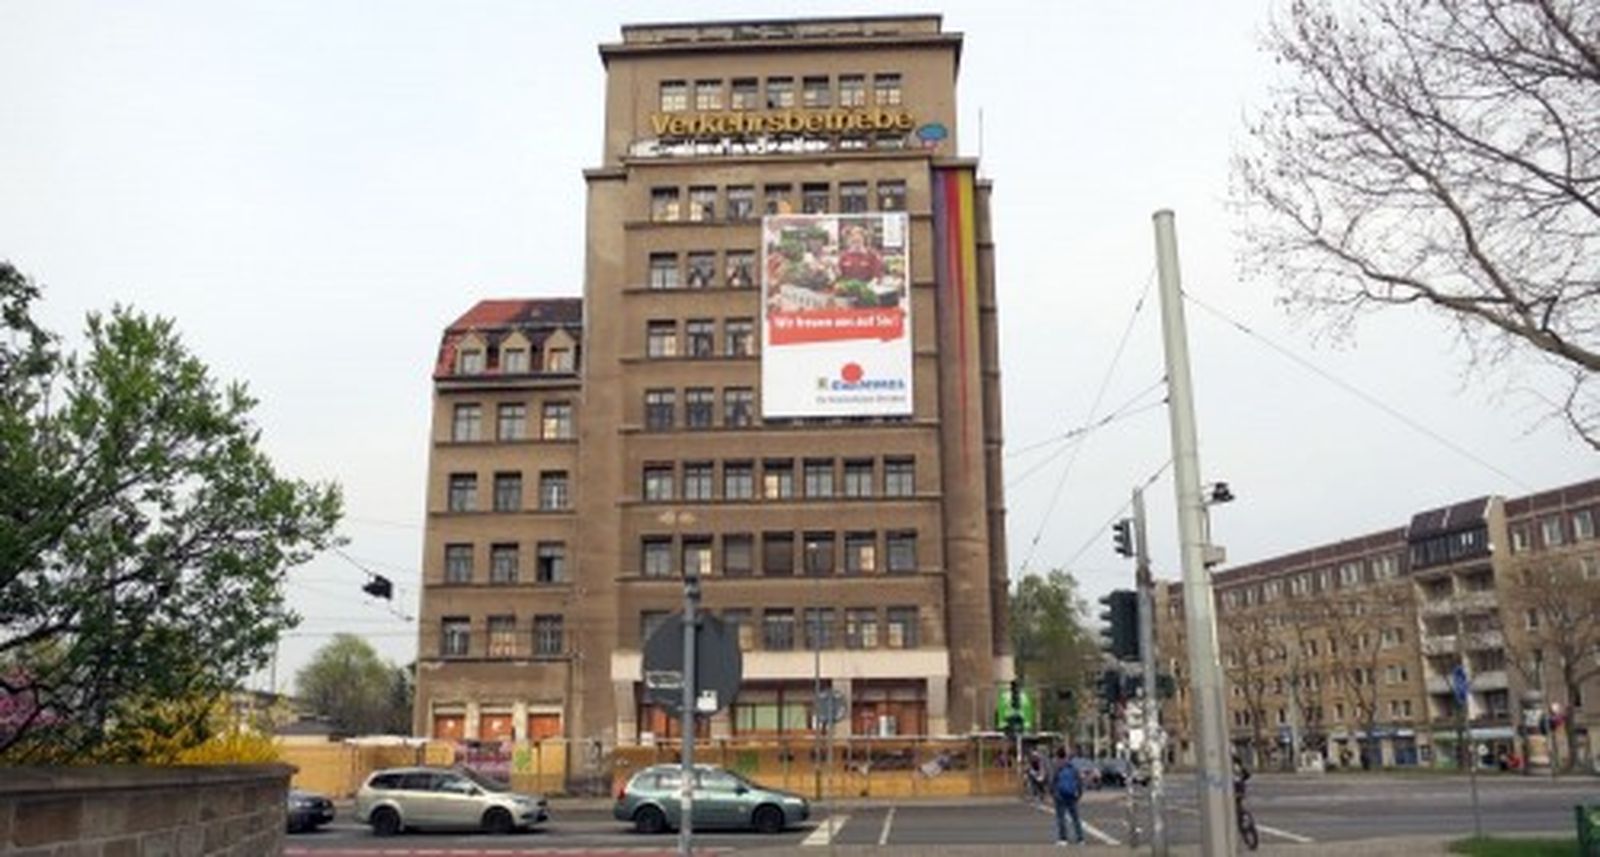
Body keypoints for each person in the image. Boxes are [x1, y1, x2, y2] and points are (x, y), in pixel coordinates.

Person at [1052, 746, 1084, 846]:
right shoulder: (1072, 767)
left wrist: (1053, 793)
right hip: (1072, 795)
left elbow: (1053, 781)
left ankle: (1063, 839)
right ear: (1066, 755)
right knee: (1075, 818)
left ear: (1057, 756)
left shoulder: (1057, 767)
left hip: (1060, 796)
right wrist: (1079, 793)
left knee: (1061, 818)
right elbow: (1079, 781)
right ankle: (1080, 839)